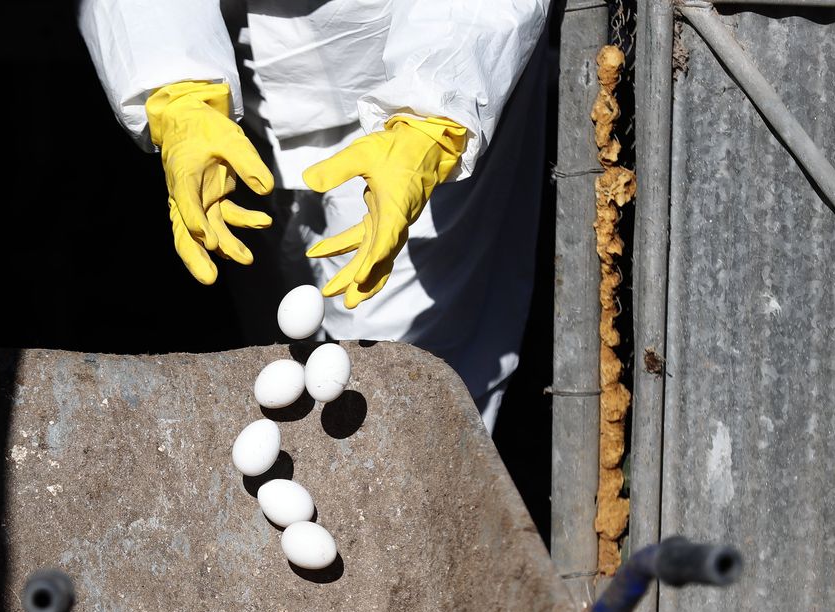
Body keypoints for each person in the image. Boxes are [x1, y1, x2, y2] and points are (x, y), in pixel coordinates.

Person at [78, 1, 551, 432]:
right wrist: (176, 88)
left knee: (404, 365)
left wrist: (435, 114)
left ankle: (415, 485)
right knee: (278, 328)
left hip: (421, 71)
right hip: (236, 95)